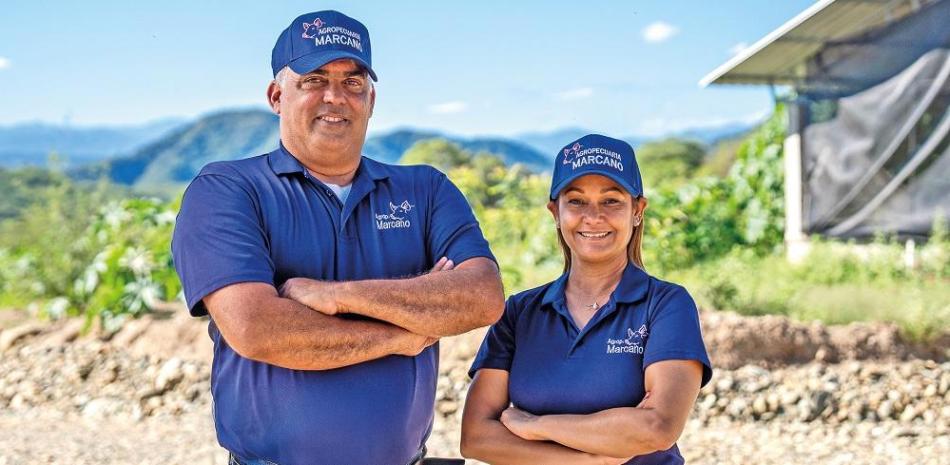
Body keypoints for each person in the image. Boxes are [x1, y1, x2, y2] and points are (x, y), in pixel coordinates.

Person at [171, 10, 504, 465]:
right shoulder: (228, 190)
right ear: (276, 95)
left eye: (353, 82)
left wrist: (335, 296)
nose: (336, 97)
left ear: (371, 99)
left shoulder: (425, 190)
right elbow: (256, 329)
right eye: (314, 80)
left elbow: (482, 297)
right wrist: (402, 332)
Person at [460, 134, 712, 465]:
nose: (593, 216)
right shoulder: (520, 313)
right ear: (555, 211)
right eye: (576, 201)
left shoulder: (665, 305)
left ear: (637, 210)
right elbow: (476, 437)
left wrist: (535, 425)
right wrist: (589, 460)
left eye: (611, 201)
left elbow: (657, 427)